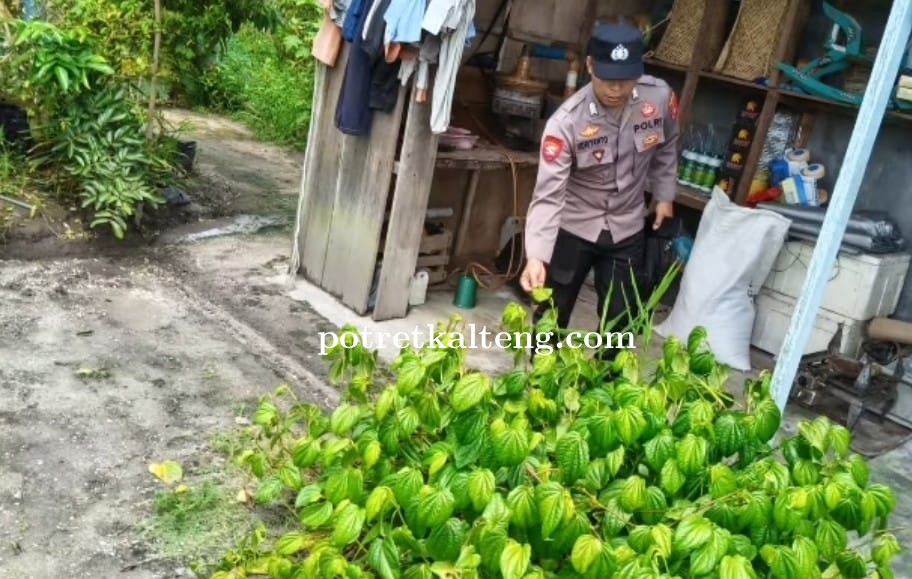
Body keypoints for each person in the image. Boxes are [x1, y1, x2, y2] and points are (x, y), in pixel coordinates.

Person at [520, 21, 680, 356]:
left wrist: (664, 195)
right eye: (607, 79)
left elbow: (667, 145)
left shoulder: (659, 97)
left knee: (620, 320)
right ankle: (540, 378)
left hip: (627, 226)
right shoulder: (566, 122)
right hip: (574, 227)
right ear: (590, 66)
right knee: (553, 313)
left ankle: (606, 379)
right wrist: (536, 256)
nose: (616, 89)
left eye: (625, 79)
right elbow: (548, 196)